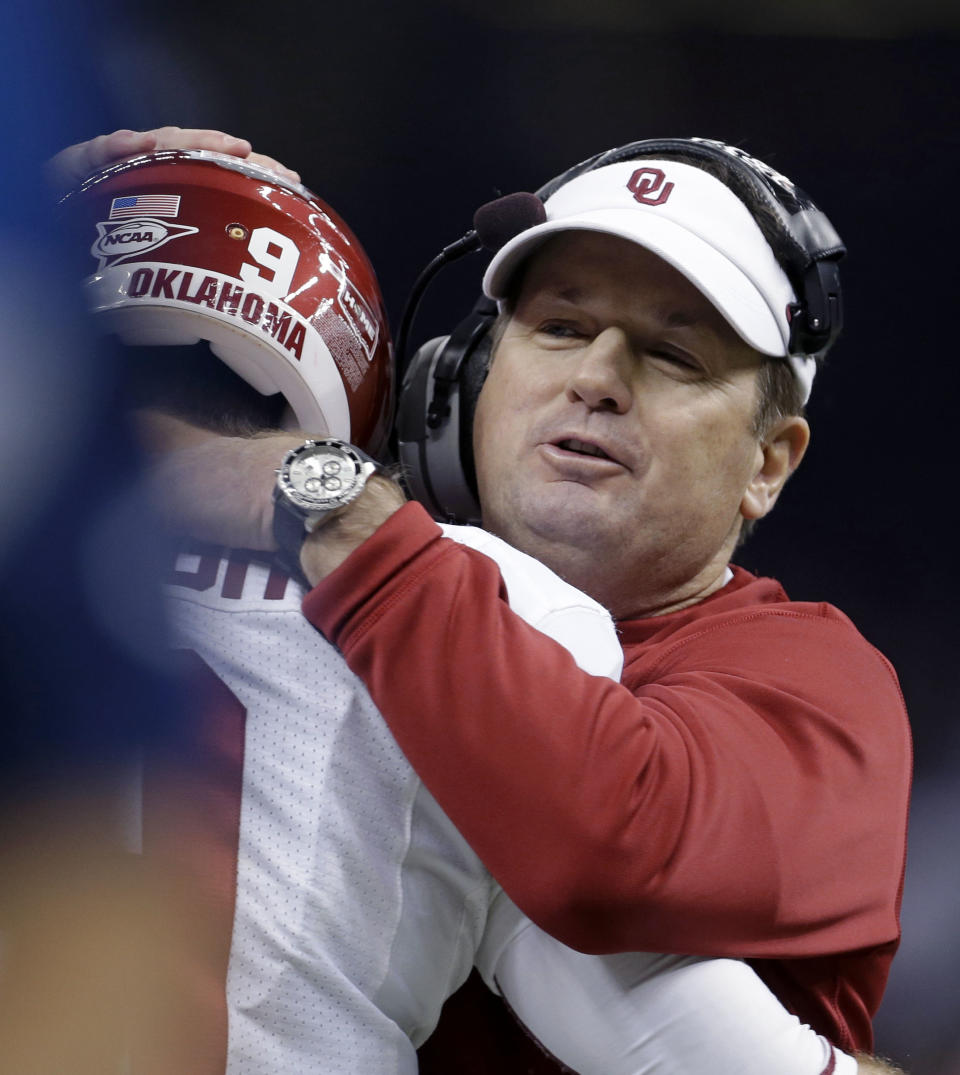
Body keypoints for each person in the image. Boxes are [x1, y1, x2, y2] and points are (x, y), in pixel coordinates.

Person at [49, 131, 878, 1074]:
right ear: (463, 381)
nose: (597, 381)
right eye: (560, 328)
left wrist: (323, 505)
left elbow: (605, 832)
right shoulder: (498, 621)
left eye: (672, 356)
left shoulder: (805, 682)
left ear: (768, 462)